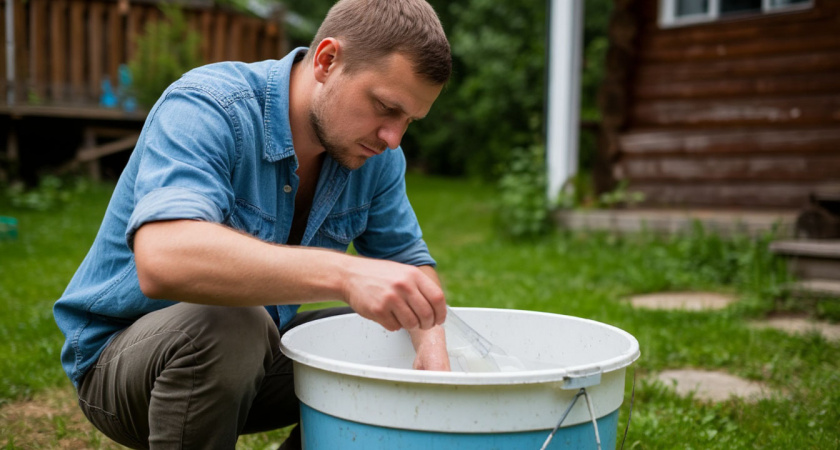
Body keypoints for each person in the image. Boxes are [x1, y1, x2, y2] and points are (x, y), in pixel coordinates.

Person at [53, 0, 452, 448]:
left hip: (255, 357)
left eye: (409, 121)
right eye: (384, 107)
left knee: (393, 331)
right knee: (232, 325)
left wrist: (431, 347)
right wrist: (345, 273)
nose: (393, 138)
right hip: (126, 366)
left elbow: (411, 266)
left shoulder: (375, 156)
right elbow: (163, 259)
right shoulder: (209, 105)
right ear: (327, 60)